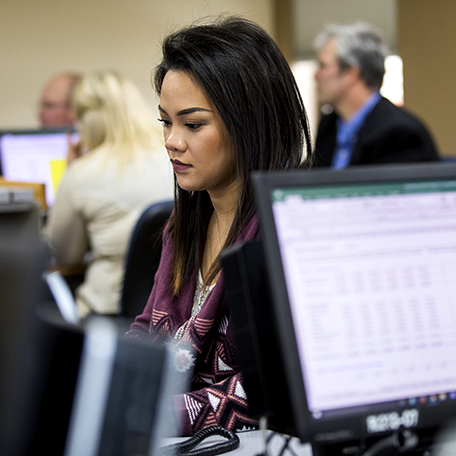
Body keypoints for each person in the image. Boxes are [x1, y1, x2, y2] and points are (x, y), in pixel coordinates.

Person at [126, 16, 312, 435]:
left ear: (249, 124)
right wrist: (112, 380)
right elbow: (151, 326)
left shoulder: (290, 233)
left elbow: (276, 388)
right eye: (166, 122)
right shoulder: (187, 219)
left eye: (192, 124)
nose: (172, 141)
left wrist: (148, 410)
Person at [45, 70, 174, 317]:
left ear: (86, 120)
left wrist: (70, 170)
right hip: (168, 310)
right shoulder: (174, 159)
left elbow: (64, 255)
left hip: (107, 314)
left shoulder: (82, 173)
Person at [313, 22, 439, 168]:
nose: (316, 75)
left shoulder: (399, 134)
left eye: (323, 66)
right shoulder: (329, 125)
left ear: (350, 74)